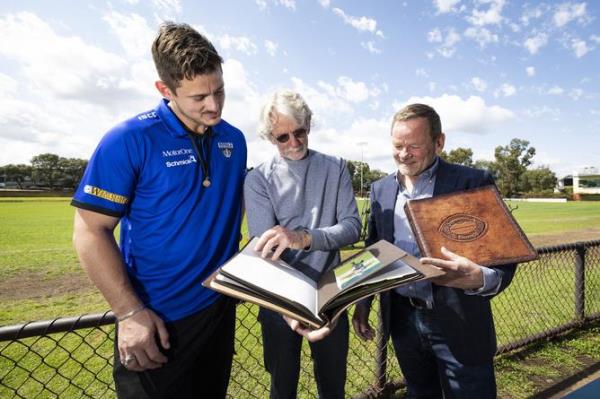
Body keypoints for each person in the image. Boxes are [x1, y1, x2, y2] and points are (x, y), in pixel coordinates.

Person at [71, 22, 246, 398]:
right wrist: (129, 314)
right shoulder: (128, 139)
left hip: (218, 310)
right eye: (199, 97)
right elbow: (89, 231)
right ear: (165, 90)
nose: (213, 105)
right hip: (156, 321)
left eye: (219, 91)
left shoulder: (235, 139)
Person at [352, 103, 517, 398]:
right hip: (403, 322)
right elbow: (374, 251)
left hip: (459, 321)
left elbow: (506, 257)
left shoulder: (471, 182)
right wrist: (362, 303)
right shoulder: (380, 190)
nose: (404, 154)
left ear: (439, 142)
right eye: (398, 145)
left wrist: (479, 278)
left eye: (414, 146)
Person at [244, 89, 361, 399]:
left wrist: (304, 238)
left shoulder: (335, 167)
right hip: (279, 298)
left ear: (309, 125)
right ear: (270, 137)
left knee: (333, 386)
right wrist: (287, 310)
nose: (294, 143)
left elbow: (352, 228)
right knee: (282, 388)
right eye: (283, 137)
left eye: (300, 132)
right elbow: (264, 251)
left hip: (330, 294)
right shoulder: (258, 180)